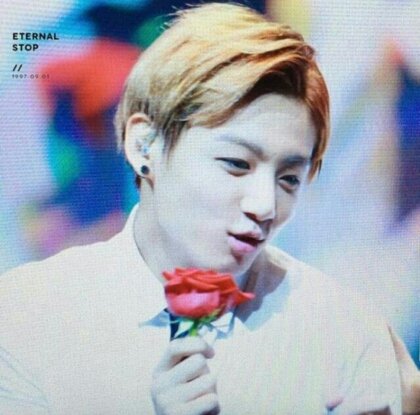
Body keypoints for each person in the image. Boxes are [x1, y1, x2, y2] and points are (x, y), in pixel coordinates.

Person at [0, 3, 407, 414]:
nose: (265, 205)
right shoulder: (28, 317)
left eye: (288, 178)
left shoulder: (344, 330)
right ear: (145, 145)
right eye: (236, 164)